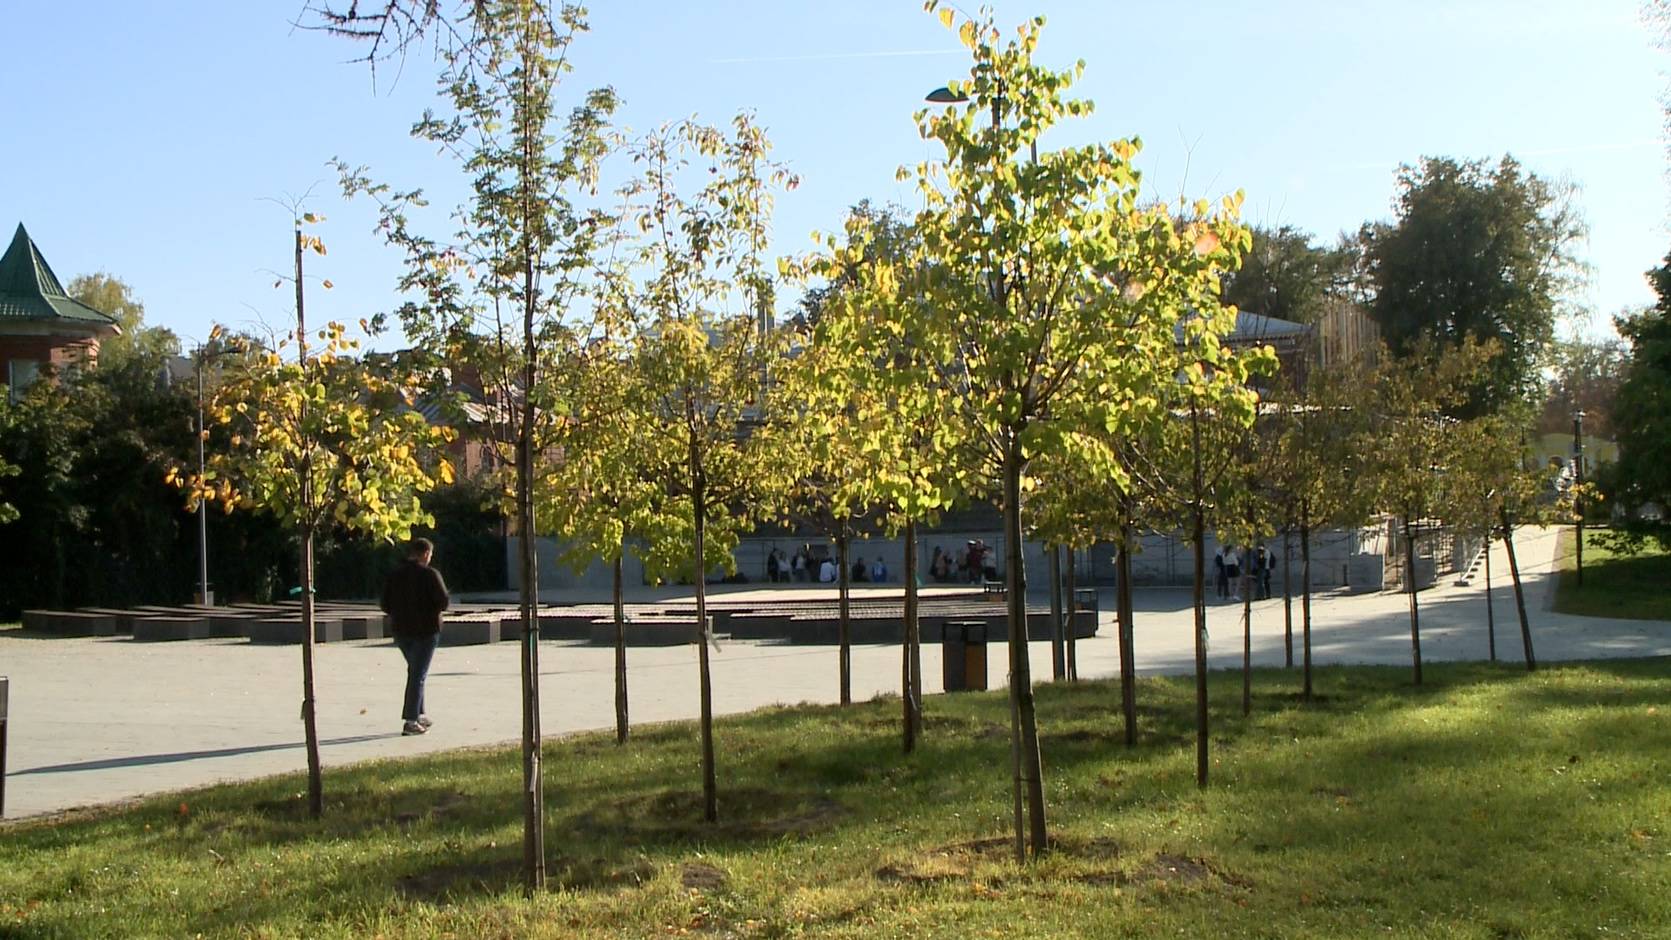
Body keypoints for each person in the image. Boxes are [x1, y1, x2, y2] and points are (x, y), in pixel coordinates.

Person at [380, 537, 450, 736]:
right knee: (417, 674)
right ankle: (410, 720)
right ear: (426, 554)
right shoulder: (430, 574)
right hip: (426, 631)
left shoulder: (394, 575)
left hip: (401, 630)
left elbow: (385, 604)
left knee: (415, 671)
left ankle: (419, 713)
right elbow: (444, 601)